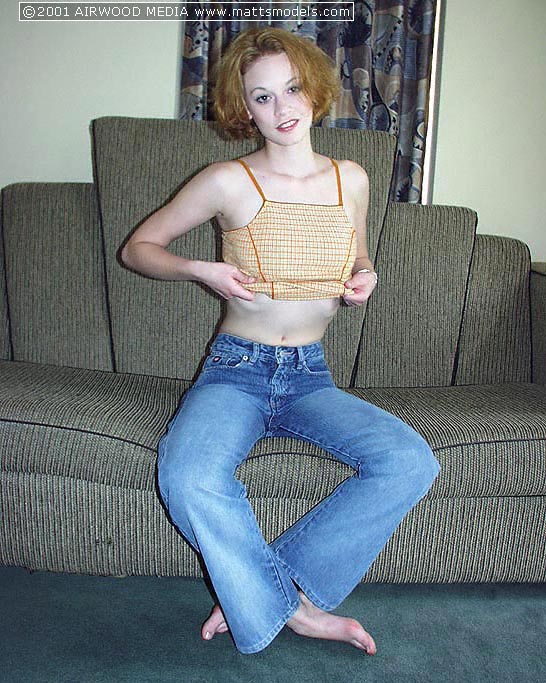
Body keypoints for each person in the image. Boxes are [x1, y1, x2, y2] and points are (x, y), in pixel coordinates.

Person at [121, 27, 440, 656]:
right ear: (245, 108)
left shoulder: (352, 179)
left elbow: (359, 256)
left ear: (315, 91)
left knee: (410, 460)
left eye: (292, 89)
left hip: (309, 377)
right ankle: (293, 607)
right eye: (262, 96)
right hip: (235, 371)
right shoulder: (226, 180)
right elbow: (138, 248)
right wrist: (202, 270)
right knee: (187, 473)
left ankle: (270, 591)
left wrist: (365, 277)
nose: (282, 108)